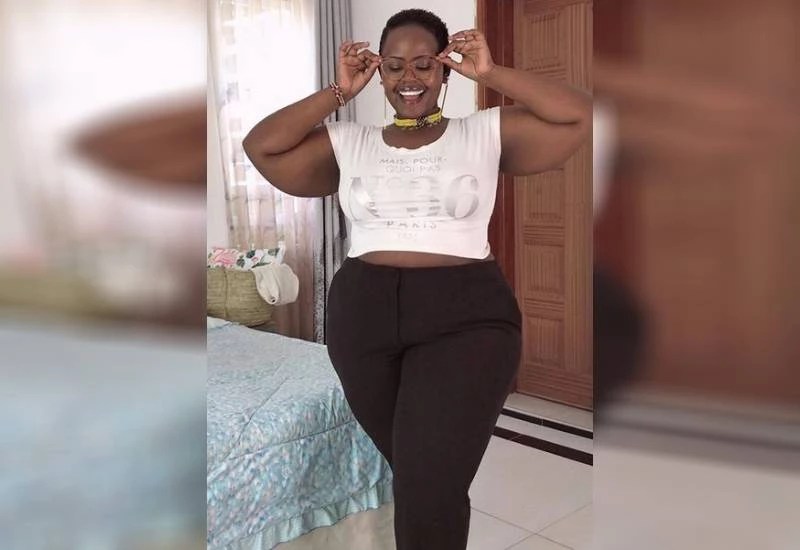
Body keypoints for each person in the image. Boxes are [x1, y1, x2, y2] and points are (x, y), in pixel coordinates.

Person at [243, 9, 590, 550]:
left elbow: (577, 115)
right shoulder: (349, 141)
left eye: (425, 64)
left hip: (467, 320)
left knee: (428, 482)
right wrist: (338, 92)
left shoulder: (485, 131)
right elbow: (261, 145)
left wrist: (490, 73)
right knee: (422, 477)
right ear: (378, 73)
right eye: (395, 66)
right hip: (363, 318)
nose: (410, 77)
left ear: (445, 69)